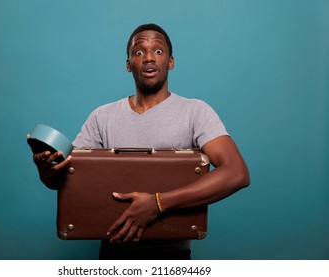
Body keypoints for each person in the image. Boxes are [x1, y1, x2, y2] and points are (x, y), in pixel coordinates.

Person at [31, 23, 250, 260]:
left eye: (158, 50)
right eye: (138, 52)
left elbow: (237, 173)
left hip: (172, 256)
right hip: (113, 253)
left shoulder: (195, 112)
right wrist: (48, 173)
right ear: (128, 65)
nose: (148, 57)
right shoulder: (102, 116)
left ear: (171, 62)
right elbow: (72, 178)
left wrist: (157, 204)